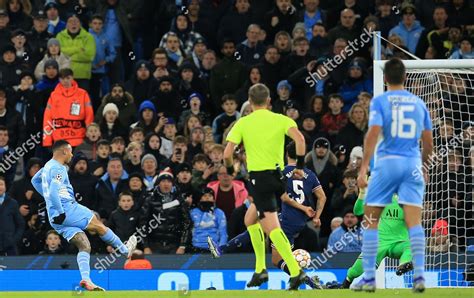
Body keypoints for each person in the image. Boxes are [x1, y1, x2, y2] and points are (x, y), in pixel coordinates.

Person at [354, 58, 433, 292]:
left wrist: (363, 167)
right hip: (411, 164)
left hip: (387, 163)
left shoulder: (380, 101)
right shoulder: (418, 103)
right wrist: (425, 166)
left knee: (371, 221)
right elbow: (428, 141)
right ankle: (419, 275)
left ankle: (369, 277)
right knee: (414, 222)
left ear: (385, 78)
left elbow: (373, 133)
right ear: (406, 77)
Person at [223, 83, 307, 290]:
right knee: (250, 219)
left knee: (271, 228)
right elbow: (300, 139)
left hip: (260, 180)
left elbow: (226, 154)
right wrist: (300, 166)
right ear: (269, 101)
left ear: (250, 103)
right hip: (278, 178)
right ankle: (260, 269)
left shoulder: (243, 123)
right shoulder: (281, 119)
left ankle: (296, 272)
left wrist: (231, 170)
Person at [208, 141, 326, 289]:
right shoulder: (309, 174)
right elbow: (322, 197)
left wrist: (302, 208)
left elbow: (284, 197)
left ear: (286, 154)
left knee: (257, 226)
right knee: (276, 259)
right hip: (298, 221)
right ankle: (307, 280)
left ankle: (222, 250)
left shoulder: (282, 172)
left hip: (288, 218)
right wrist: (316, 216)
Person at [31, 140, 137, 291]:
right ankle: (125, 250)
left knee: (84, 245)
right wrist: (61, 210)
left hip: (54, 217)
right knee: (99, 225)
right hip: (67, 209)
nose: (72, 155)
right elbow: (54, 189)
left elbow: (34, 181)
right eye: (70, 151)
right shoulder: (59, 168)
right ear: (64, 152)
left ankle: (86, 280)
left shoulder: (47, 166)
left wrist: (49, 202)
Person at [341, 190, 413, 288]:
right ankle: (345, 284)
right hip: (379, 243)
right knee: (355, 271)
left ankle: (403, 265)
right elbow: (358, 211)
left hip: (399, 243)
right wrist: (362, 193)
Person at [42, 68, 94, 148]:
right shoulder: (53, 96)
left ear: (72, 78)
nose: (65, 81)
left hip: (79, 140)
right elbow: (47, 119)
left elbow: (89, 116)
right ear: (59, 79)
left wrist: (90, 136)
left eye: (68, 78)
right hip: (59, 141)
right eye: (62, 78)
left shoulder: (83, 94)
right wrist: (47, 141)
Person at [190, 187, 227, 252]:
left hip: (214, 247)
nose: (207, 198)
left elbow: (223, 232)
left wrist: (222, 247)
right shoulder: (193, 212)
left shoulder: (219, 212)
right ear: (200, 199)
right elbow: (189, 230)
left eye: (210, 196)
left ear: (213, 199)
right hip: (195, 246)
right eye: (204, 196)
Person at [0, 176, 24, 255]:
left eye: (1, 184)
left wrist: (13, 240)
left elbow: (21, 224)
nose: (0, 187)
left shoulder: (12, 203)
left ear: (5, 186)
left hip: (9, 247)